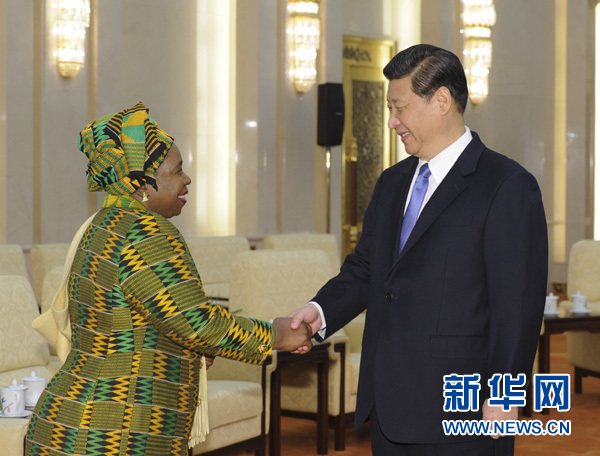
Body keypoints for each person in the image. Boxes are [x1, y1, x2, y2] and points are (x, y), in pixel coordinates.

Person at [289, 44, 548, 455]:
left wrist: (505, 395)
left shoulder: (506, 184)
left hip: (463, 411)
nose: (392, 122)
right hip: (389, 405)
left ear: (442, 100)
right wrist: (319, 312)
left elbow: (517, 304)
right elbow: (365, 269)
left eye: (400, 107)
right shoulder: (392, 183)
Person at [25, 102, 312, 456]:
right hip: (113, 431)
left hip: (68, 423)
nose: (186, 179)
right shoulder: (146, 232)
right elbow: (197, 324)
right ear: (143, 183)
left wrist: (190, 354)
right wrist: (279, 334)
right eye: (177, 171)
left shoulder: (103, 225)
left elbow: (133, 323)